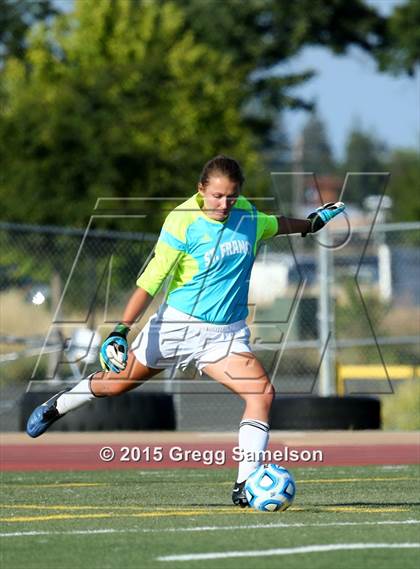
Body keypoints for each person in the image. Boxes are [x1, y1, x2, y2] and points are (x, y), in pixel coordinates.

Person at [26, 155, 345, 507]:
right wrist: (120, 331)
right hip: (176, 327)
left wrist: (311, 224)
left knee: (262, 394)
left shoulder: (248, 216)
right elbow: (151, 281)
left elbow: (275, 223)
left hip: (225, 336)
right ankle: (59, 404)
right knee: (113, 385)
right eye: (217, 196)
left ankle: (243, 484)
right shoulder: (182, 222)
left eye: (232, 196)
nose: (224, 204)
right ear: (201, 190)